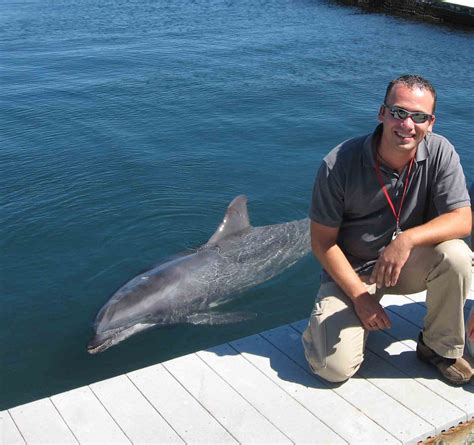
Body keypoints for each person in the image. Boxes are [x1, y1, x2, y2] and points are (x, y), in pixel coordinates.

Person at [302, 74, 473, 385]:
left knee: (457, 255)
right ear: (382, 113)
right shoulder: (339, 164)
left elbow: (462, 219)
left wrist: (407, 239)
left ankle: (438, 347)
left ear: (431, 122)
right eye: (398, 112)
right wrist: (360, 297)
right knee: (332, 369)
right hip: (353, 274)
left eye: (419, 116)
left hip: (405, 266)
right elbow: (322, 243)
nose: (407, 124)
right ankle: (322, 327)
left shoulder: (441, 153)